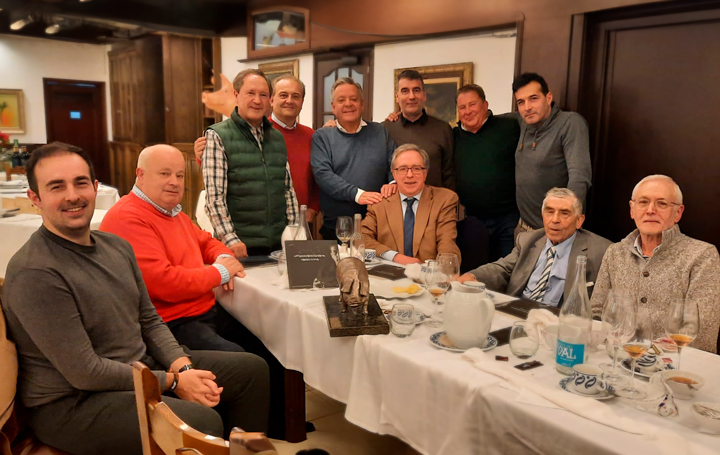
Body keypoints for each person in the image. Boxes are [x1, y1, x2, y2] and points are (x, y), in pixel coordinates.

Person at [1, 142, 269, 455]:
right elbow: (86, 372)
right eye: (56, 186)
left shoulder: (116, 247)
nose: (72, 195)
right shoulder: (35, 272)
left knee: (251, 371)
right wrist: (171, 382)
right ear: (35, 198)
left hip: (140, 367)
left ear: (95, 187)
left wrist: (182, 368)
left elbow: (149, 319)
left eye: (81, 182)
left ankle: (247, 454)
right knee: (201, 421)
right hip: (74, 403)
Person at [100, 144, 247, 352]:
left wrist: (225, 257)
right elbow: (164, 283)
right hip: (169, 324)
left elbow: (207, 243)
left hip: (202, 311)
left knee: (271, 341)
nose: (174, 182)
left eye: (179, 175)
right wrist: (221, 272)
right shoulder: (127, 218)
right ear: (140, 175)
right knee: (246, 364)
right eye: (164, 174)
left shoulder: (173, 213)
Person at [590, 175, 720, 353]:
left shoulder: (702, 255)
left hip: (674, 368)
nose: (651, 210)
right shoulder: (615, 252)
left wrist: (644, 353)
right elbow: (595, 314)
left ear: (678, 213)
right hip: (613, 359)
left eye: (662, 203)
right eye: (643, 202)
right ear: (632, 210)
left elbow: (702, 334)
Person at [203, 68, 298, 257]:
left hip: (279, 246)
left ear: (269, 100)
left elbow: (287, 191)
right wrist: (230, 239)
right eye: (250, 93)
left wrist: (295, 233)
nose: (257, 100)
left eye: (263, 95)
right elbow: (214, 199)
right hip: (241, 247)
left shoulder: (277, 137)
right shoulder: (217, 136)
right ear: (236, 95)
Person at [459, 188, 611, 306]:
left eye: (564, 213)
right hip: (517, 312)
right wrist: (473, 276)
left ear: (579, 221)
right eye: (550, 212)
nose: (555, 220)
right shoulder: (528, 240)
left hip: (558, 324)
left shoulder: (601, 251)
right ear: (543, 215)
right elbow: (503, 268)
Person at [196, 74, 320, 215]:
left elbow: (317, 176)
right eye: (283, 95)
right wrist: (201, 156)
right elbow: (221, 175)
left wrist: (313, 209)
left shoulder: (311, 136)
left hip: (301, 219)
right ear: (272, 100)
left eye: (296, 96)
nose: (289, 101)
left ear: (302, 102)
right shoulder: (255, 131)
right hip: (255, 221)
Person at [311, 77, 395, 240]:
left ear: (362, 104)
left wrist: (393, 183)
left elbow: (395, 163)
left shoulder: (380, 131)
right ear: (333, 107)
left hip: (378, 226)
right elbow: (323, 175)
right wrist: (357, 194)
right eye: (341, 100)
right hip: (337, 228)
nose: (348, 104)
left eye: (353, 99)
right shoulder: (322, 136)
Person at [512, 73, 592, 231]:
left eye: (533, 98)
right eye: (521, 102)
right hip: (523, 228)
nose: (527, 107)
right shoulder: (522, 122)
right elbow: (492, 119)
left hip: (556, 231)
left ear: (548, 98)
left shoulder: (570, 123)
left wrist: (568, 222)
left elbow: (580, 177)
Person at [362, 144, 461, 265]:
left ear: (425, 173)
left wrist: (442, 272)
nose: (409, 175)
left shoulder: (444, 200)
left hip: (428, 276)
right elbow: (362, 238)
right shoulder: (380, 203)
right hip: (389, 276)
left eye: (416, 169)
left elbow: (447, 243)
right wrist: (394, 256)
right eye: (403, 169)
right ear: (394, 174)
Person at [454, 84, 520, 262]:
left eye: (472, 104)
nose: (468, 111)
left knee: (507, 271)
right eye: (462, 107)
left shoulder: (510, 127)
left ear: (485, 105)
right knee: (476, 271)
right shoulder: (453, 136)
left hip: (507, 218)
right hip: (473, 219)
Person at [382, 69, 454, 189]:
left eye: (416, 90)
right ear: (397, 97)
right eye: (405, 91)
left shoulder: (443, 130)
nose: (411, 96)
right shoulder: (385, 129)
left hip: (435, 205)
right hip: (395, 205)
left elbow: (449, 175)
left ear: (424, 95)